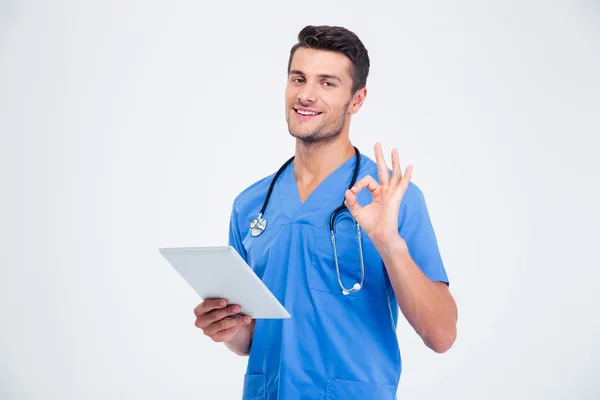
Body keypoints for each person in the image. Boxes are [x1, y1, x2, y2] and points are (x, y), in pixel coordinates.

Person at [193, 25, 458, 399]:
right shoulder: (251, 205)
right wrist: (227, 327)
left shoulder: (392, 198)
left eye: (327, 83)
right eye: (298, 78)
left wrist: (388, 241)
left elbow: (442, 335)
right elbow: (252, 338)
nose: (305, 94)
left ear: (357, 99)